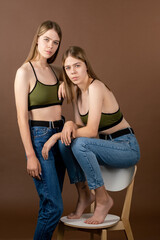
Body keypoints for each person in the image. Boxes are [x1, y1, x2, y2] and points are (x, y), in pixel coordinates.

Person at [42, 46, 140, 225]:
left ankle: (103, 199)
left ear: (86, 65)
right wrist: (70, 124)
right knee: (67, 143)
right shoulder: (78, 93)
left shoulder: (96, 87)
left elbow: (91, 131)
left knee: (76, 143)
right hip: (106, 149)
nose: (73, 71)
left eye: (77, 65)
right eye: (68, 68)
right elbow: (80, 126)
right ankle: (85, 195)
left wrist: (55, 136)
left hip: (127, 147)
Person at [14, 20, 67, 240]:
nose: (50, 46)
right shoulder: (24, 72)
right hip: (40, 139)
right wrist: (30, 156)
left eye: (55, 42)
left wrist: (67, 82)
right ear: (37, 39)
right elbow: (21, 117)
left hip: (60, 138)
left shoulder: (57, 72)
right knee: (54, 207)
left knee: (48, 204)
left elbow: (83, 85)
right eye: (46, 39)